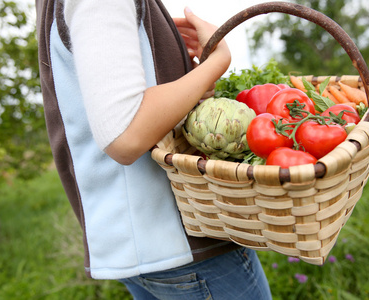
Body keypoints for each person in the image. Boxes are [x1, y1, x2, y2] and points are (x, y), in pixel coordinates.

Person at [35, 0, 272, 298]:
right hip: (181, 244)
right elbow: (126, 134)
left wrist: (182, 74)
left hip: (143, 246)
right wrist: (217, 62)